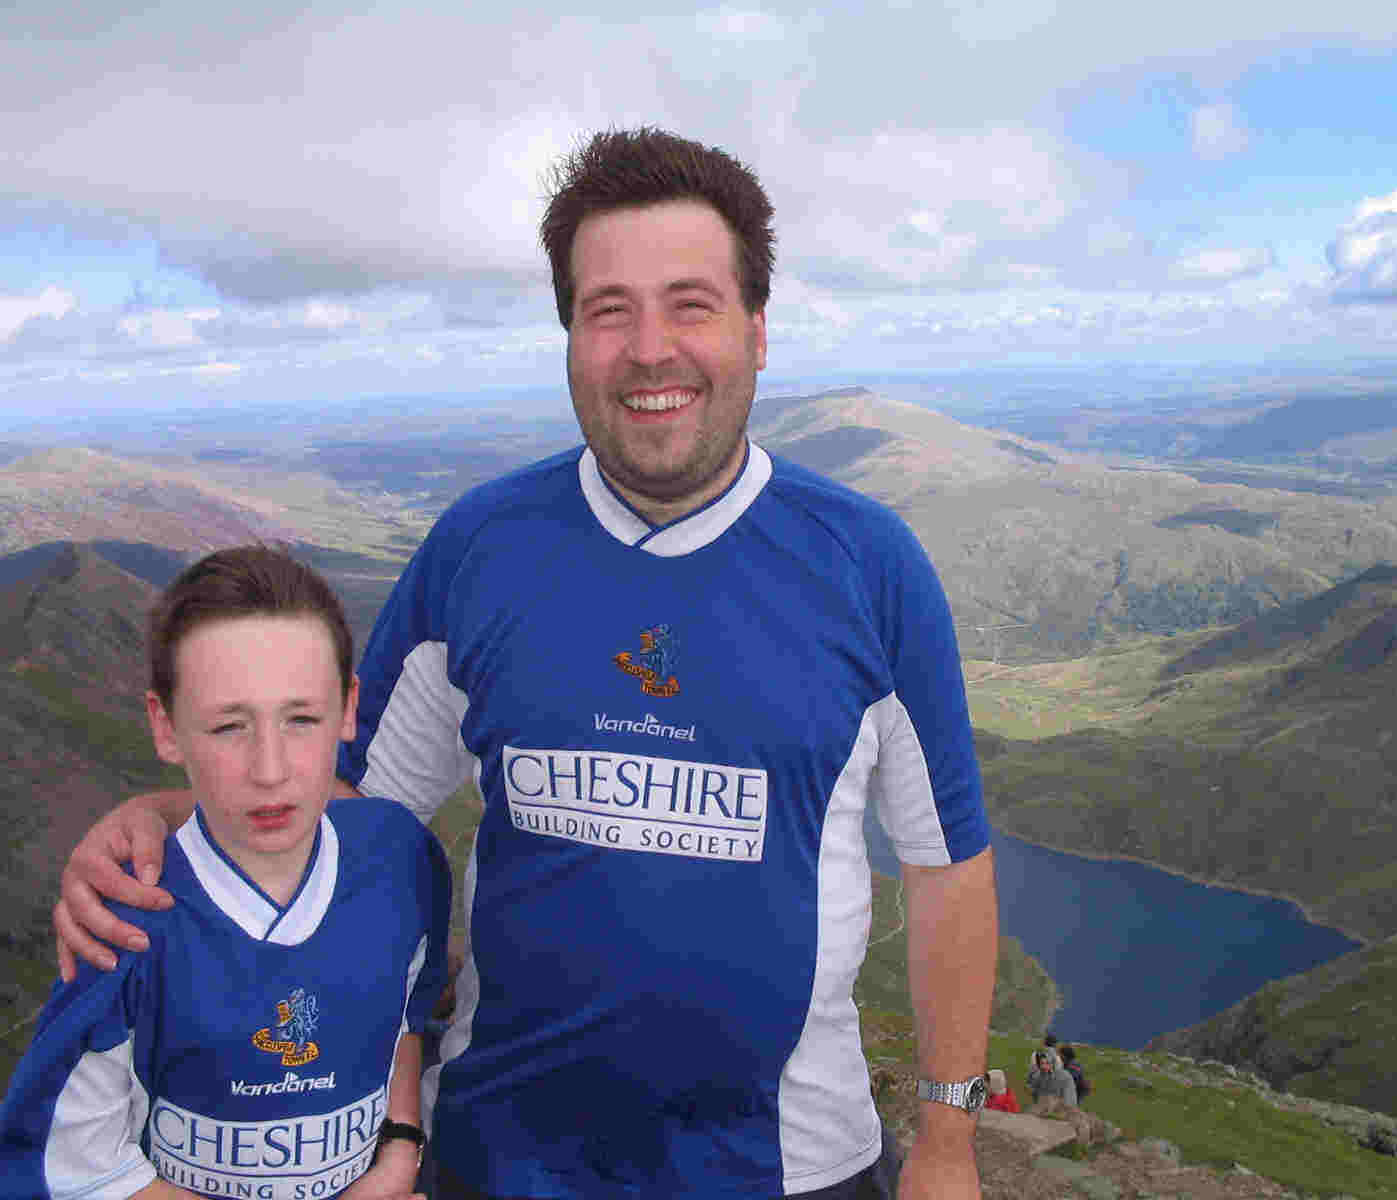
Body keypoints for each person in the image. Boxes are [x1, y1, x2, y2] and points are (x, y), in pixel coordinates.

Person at [52, 128, 998, 1200]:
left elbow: (944, 866)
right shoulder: (480, 551)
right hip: (496, 1162)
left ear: (758, 329)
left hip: (791, 1166)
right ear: (568, 336)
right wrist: (156, 816)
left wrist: (948, 1138)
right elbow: (346, 794)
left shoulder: (869, 568)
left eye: (690, 303)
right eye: (608, 311)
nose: (650, 349)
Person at [3, 546, 451, 1199]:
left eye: (301, 718)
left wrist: (400, 1147)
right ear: (166, 727)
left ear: (348, 710)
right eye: (227, 727)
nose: (270, 770)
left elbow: (409, 1012)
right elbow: (69, 1165)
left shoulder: (402, 861)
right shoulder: (127, 922)